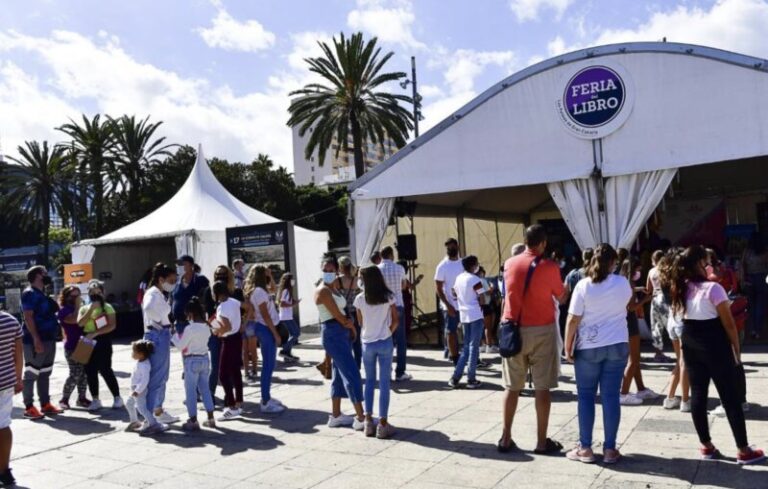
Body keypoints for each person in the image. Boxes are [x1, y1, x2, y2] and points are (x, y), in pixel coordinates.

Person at [670, 245, 765, 464]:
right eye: (708, 260)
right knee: (730, 397)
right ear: (701, 263)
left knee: (699, 395)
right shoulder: (714, 289)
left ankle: (706, 446)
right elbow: (729, 324)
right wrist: (736, 351)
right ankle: (743, 449)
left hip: (690, 341)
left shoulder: (681, 286)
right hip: (715, 343)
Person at [498, 225, 566, 454]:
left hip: (513, 330)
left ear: (525, 241)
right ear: (543, 243)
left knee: (511, 387)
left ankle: (505, 437)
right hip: (541, 330)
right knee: (542, 387)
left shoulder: (509, 264)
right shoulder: (550, 267)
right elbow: (561, 296)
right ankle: (540, 441)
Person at [564, 244, 631, 464]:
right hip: (618, 343)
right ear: (613, 263)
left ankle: (585, 448)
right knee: (611, 397)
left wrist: (567, 345)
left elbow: (573, 318)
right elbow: (626, 305)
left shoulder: (583, 286)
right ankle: (610, 449)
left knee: (586, 396)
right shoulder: (622, 283)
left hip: (589, 346)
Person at [315, 254, 365, 429]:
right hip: (334, 332)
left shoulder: (334, 286)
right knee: (352, 373)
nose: (328, 272)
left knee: (338, 374)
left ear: (336, 270)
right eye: (325, 270)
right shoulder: (323, 290)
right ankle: (361, 417)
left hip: (339, 333)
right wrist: (351, 327)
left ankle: (336, 415)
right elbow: (337, 315)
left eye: (331, 270)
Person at [354, 266, 398, 439]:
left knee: (370, 382)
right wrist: (388, 331)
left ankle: (367, 421)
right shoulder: (388, 297)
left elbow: (360, 322)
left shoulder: (359, 299)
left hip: (367, 342)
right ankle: (383, 423)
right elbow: (395, 320)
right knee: (384, 383)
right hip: (384, 340)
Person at [141, 262, 179, 434]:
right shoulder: (154, 293)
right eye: (171, 280)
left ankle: (157, 411)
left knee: (160, 376)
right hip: (157, 335)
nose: (173, 283)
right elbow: (149, 309)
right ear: (161, 279)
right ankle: (150, 418)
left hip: (159, 334)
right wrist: (159, 321)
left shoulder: (157, 293)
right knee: (157, 378)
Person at [20, 266, 61, 419]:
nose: (47, 276)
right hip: (35, 340)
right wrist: (36, 339)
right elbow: (28, 317)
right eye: (44, 273)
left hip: (49, 338)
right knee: (31, 373)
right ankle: (29, 407)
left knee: (45, 372)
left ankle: (45, 404)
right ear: (38, 276)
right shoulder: (29, 293)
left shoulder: (42, 294)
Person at [244, 266, 285, 414]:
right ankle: (265, 401)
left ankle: (266, 397)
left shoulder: (261, 290)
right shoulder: (259, 292)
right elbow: (265, 314)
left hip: (265, 328)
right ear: (262, 275)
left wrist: (271, 276)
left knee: (270, 365)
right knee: (268, 365)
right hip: (266, 329)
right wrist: (275, 334)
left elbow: (274, 289)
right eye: (267, 273)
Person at [619, 257, 659, 405]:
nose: (639, 272)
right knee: (634, 359)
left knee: (634, 359)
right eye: (637, 270)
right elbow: (630, 308)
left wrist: (638, 289)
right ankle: (624, 393)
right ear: (632, 270)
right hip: (630, 322)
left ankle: (641, 389)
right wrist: (645, 300)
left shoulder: (621, 282)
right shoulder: (628, 283)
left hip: (625, 323)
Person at [78, 280, 123, 412]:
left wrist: (96, 333)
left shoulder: (108, 307)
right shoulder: (84, 308)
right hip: (87, 339)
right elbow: (80, 323)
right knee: (90, 371)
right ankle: (95, 399)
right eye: (92, 292)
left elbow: (112, 325)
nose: (95, 294)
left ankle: (117, 397)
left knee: (105, 369)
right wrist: (91, 308)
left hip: (102, 339)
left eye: (98, 292)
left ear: (103, 293)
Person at [172, 297, 216, 430]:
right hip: (204, 358)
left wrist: (173, 335)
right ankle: (210, 417)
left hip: (191, 360)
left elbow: (180, 345)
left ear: (191, 313)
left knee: (190, 391)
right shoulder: (207, 326)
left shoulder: (190, 329)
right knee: (205, 390)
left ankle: (193, 419)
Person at [656, 249, 691, 412]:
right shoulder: (680, 279)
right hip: (682, 319)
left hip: (672, 319)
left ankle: (670, 398)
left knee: (680, 361)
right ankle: (685, 400)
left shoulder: (664, 277)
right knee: (685, 362)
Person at [201, 266, 243, 400]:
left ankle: (229, 397)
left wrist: (243, 323)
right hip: (216, 332)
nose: (221, 277)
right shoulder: (210, 291)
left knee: (232, 367)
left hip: (231, 335)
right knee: (215, 366)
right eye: (218, 274)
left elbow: (244, 309)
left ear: (229, 275)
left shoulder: (235, 292)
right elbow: (208, 312)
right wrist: (216, 327)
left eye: (224, 274)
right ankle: (210, 395)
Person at [448, 255, 485, 389]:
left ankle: (456, 377)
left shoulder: (459, 278)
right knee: (474, 347)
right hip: (475, 314)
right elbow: (482, 298)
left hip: (464, 314)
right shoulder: (475, 279)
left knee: (466, 348)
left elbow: (453, 293)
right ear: (473, 265)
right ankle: (471, 378)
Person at [210, 281, 246, 420]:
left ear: (216, 293)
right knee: (236, 371)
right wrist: (244, 322)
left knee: (223, 374)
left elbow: (227, 327)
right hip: (237, 338)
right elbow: (248, 307)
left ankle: (231, 405)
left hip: (229, 340)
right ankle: (239, 402)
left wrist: (217, 331)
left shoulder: (221, 307)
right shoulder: (233, 301)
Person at [378, 247, 410, 381]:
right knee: (401, 340)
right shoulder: (400, 268)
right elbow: (404, 286)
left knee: (385, 339)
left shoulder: (377, 269)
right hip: (397, 305)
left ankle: (386, 371)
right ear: (391, 255)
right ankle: (400, 372)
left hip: (382, 307)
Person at [57, 286, 91, 410]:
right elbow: (74, 320)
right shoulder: (64, 311)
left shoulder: (82, 308)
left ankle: (81, 398)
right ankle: (64, 399)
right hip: (71, 346)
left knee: (84, 374)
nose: (76, 298)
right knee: (75, 373)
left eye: (78, 296)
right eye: (73, 296)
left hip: (84, 344)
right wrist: (77, 306)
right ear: (65, 297)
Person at [0, 310, 22, 486]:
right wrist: (18, 379)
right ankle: (5, 471)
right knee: (3, 425)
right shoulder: (10, 320)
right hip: (5, 381)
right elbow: (18, 355)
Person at [435, 238, 464, 365]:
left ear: (457, 246)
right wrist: (448, 305)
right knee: (451, 331)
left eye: (452, 246)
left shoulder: (463, 263)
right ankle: (454, 357)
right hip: (450, 306)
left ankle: (472, 356)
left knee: (467, 331)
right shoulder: (442, 266)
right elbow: (438, 288)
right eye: (448, 248)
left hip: (464, 304)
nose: (450, 249)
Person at [171, 255, 209, 336]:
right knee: (184, 348)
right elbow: (172, 301)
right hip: (180, 324)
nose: (180, 267)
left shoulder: (200, 280)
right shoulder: (176, 282)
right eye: (178, 265)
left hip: (196, 324)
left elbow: (207, 298)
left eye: (183, 264)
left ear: (191, 265)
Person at [646, 251, 673, 363]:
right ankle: (678, 350)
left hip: (655, 299)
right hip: (665, 298)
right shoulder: (667, 270)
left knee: (656, 327)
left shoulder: (651, 271)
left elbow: (648, 289)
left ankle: (658, 353)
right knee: (670, 325)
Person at [741, 233, 768, 339]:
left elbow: (742, 265)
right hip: (762, 278)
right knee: (760, 305)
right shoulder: (764, 252)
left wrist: (743, 279)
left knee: (751, 305)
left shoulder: (747, 252)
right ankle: (758, 330)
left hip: (749, 279)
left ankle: (752, 329)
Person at [125, 340, 154, 432]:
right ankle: (134, 422)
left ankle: (153, 423)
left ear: (141, 354)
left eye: (134, 351)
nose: (132, 353)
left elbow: (145, 380)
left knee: (141, 409)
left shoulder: (145, 365)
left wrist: (138, 390)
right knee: (129, 403)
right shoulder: (141, 362)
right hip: (134, 389)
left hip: (139, 390)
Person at [338, 256, 362, 368]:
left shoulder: (338, 280)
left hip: (342, 312)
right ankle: (357, 365)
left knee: (344, 341)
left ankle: (347, 365)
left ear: (341, 266)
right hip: (355, 312)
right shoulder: (356, 280)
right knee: (356, 341)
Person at [277, 273, 301, 361]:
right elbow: (282, 304)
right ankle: (284, 350)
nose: (293, 281)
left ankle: (287, 355)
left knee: (292, 334)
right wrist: (293, 304)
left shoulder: (286, 290)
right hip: (286, 317)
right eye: (292, 279)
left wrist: (294, 302)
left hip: (287, 316)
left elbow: (286, 301)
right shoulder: (286, 290)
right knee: (296, 333)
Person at [477, 267, 498, 354]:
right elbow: (488, 292)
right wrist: (492, 287)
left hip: (477, 306)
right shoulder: (482, 280)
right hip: (485, 305)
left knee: (480, 327)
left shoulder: (474, 281)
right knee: (488, 327)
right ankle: (489, 345)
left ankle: (482, 345)